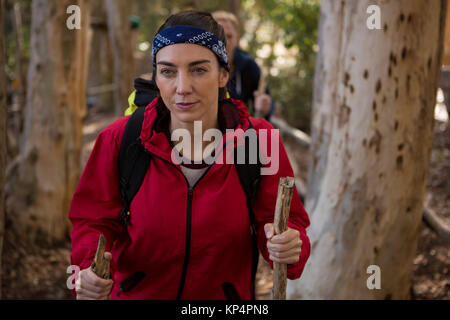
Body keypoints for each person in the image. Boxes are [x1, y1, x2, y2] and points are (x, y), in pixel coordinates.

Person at [69, 10, 310, 300]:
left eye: (198, 69)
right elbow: (92, 219)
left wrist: (288, 247)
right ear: (156, 76)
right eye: (168, 71)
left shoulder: (256, 141)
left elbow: (285, 228)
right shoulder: (121, 139)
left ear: (223, 74)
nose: (182, 88)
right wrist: (87, 268)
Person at [212, 10, 275, 121]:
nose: (224, 42)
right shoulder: (196, 66)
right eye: (218, 36)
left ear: (237, 39)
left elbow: (265, 98)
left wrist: (266, 107)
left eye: (229, 36)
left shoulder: (248, 65)